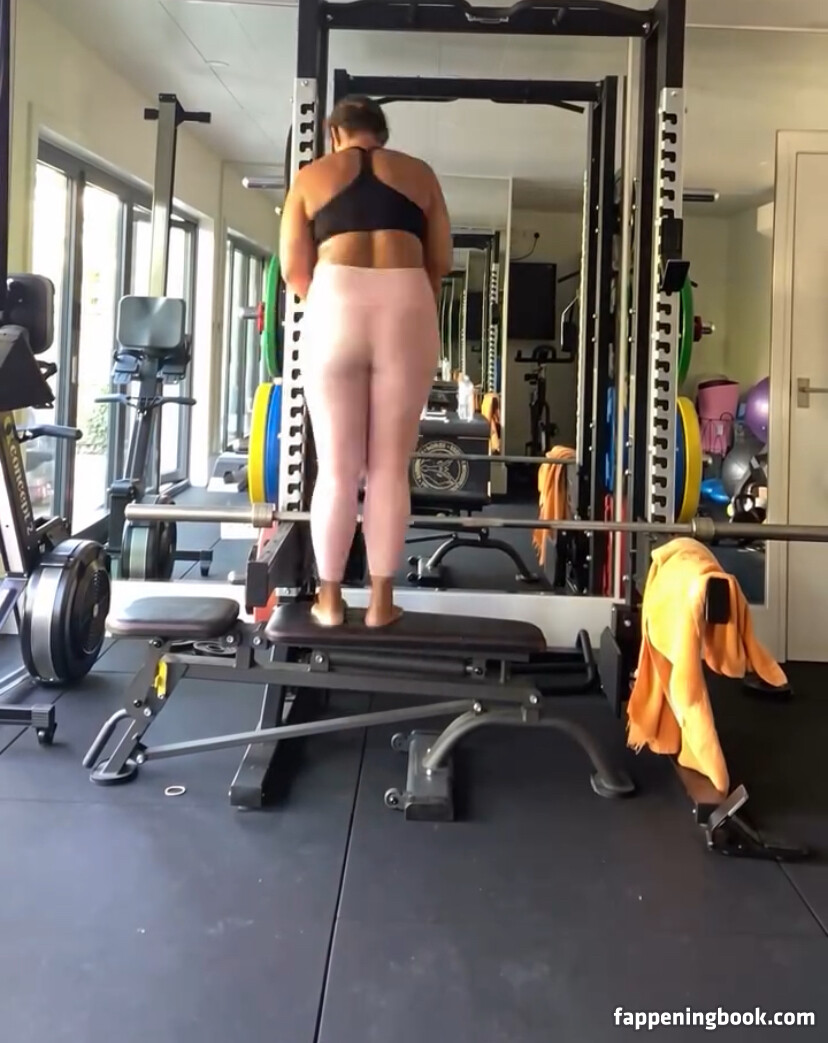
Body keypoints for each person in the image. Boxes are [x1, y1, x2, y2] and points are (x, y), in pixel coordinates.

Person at [279, 95, 453, 628]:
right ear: (382, 132)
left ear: (334, 133)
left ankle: (329, 601)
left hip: (333, 303)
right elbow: (440, 262)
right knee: (389, 468)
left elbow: (294, 271)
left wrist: (336, 300)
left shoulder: (311, 177)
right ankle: (381, 603)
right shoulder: (420, 174)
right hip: (407, 304)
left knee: (335, 468)